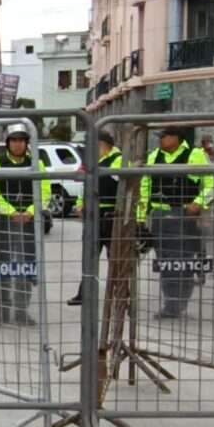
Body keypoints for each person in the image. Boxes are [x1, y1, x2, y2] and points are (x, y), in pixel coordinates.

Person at [137, 126, 214, 319]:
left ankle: (177, 302)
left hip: (184, 216)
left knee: (183, 262)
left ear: (177, 138)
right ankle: (171, 302)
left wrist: (199, 203)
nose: (160, 140)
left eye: (164, 136)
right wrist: (141, 217)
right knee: (166, 262)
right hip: (160, 216)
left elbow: (213, 183)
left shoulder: (195, 155)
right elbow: (145, 187)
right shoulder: (154, 156)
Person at [0, 124, 51, 326]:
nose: (17, 144)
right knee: (3, 265)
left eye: (21, 140)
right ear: (8, 142)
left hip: (29, 223)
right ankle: (3, 309)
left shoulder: (36, 163)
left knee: (26, 265)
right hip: (5, 221)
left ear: (26, 143)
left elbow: (45, 191)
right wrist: (11, 211)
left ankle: (21, 310)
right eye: (14, 140)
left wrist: (30, 211)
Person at [67, 131, 122, 307]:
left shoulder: (119, 160)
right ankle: (85, 293)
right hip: (93, 217)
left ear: (102, 145)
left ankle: (122, 294)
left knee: (116, 258)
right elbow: (85, 186)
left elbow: (126, 187)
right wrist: (80, 204)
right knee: (89, 257)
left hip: (112, 216)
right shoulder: (92, 162)